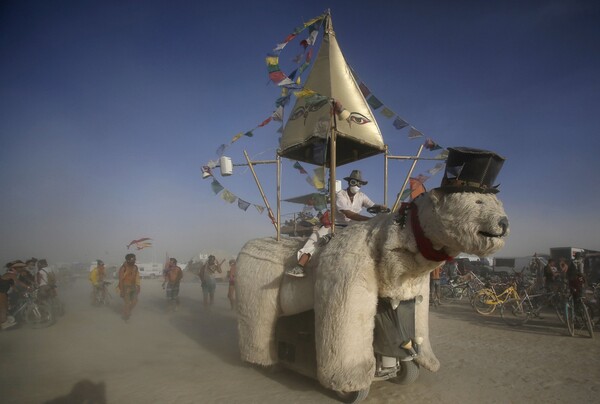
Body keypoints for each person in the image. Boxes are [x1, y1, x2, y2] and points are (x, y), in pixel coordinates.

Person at [286, 170, 386, 278]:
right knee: (314, 240)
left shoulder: (362, 196)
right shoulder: (340, 195)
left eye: (359, 183)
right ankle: (300, 266)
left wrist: (380, 207)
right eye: (354, 182)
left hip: (353, 226)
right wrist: (369, 220)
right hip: (335, 225)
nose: (357, 185)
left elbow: (372, 206)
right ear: (349, 182)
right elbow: (348, 214)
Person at [1, 262, 32, 330]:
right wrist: (28, 287)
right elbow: (18, 282)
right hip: (1, 293)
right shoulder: (10, 274)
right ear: (14, 268)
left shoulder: (11, 276)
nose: (21, 269)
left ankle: (7, 319)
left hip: (4, 293)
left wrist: (20, 292)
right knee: (3, 307)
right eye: (19, 267)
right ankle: (4, 323)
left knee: (6, 307)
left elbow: (13, 286)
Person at [117, 253, 140, 321]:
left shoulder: (135, 267)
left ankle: (127, 311)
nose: (135, 260)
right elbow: (121, 280)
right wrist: (121, 291)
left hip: (133, 286)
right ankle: (126, 317)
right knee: (127, 303)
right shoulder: (123, 268)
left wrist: (138, 285)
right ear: (128, 260)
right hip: (125, 286)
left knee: (135, 301)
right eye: (133, 259)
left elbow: (136, 277)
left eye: (135, 259)